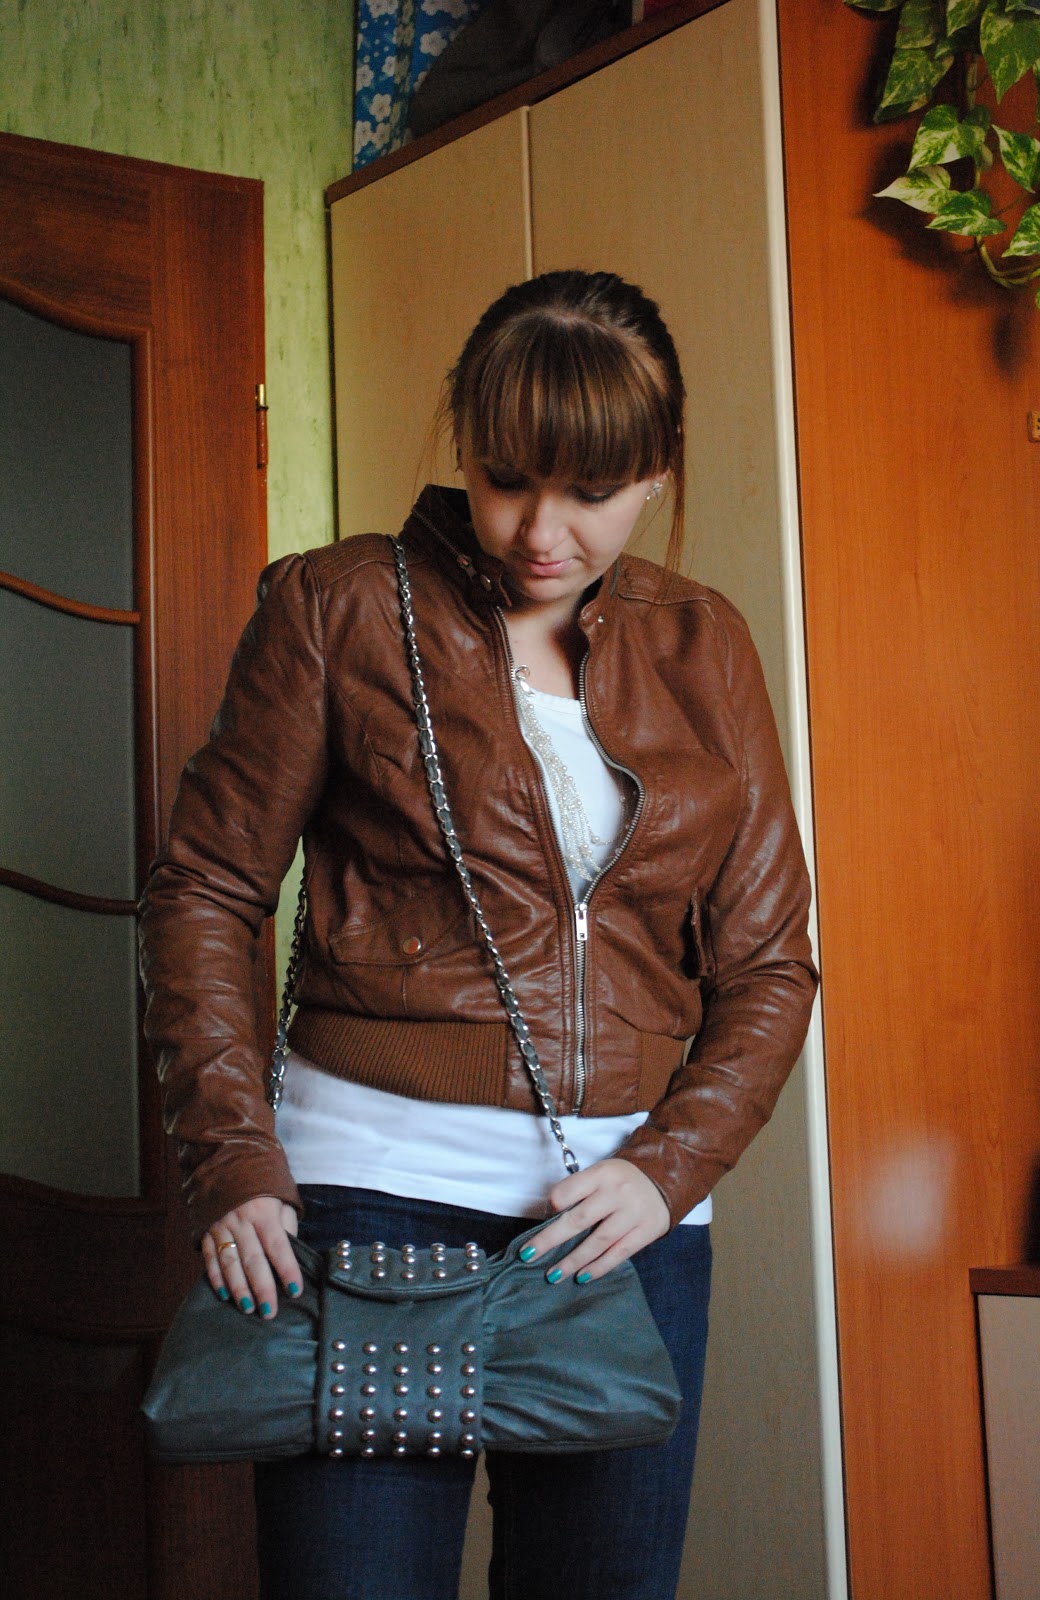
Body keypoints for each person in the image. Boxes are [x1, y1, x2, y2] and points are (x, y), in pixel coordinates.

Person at [139, 269, 817, 1600]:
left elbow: (770, 964)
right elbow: (207, 885)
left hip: (622, 1228)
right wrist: (233, 1155)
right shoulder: (338, 606)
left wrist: (669, 1169)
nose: (541, 532)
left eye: (593, 490)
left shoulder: (706, 648)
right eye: (508, 479)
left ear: (659, 469)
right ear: (465, 438)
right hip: (370, 1200)